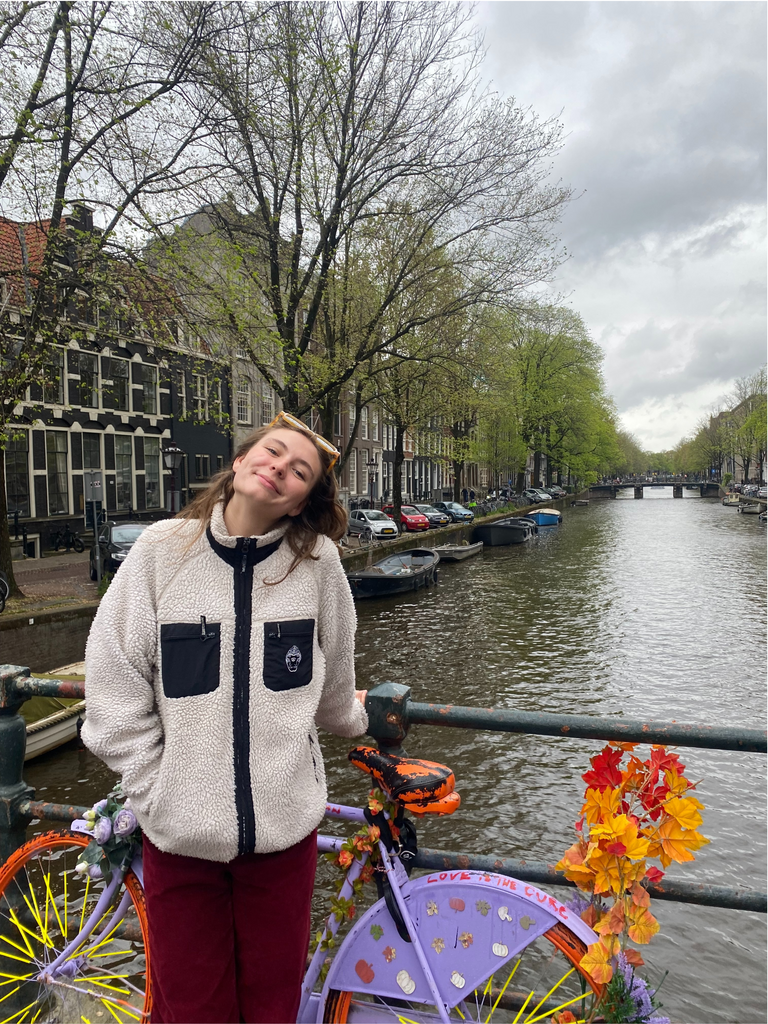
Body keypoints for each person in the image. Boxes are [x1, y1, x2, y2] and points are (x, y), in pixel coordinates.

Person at [82, 412, 369, 1024]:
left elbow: (335, 675)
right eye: (272, 452)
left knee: (273, 1006)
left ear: (299, 503)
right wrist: (155, 790)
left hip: (283, 839)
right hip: (179, 838)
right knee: (191, 1008)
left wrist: (354, 718)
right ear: (239, 463)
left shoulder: (317, 564)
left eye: (300, 471)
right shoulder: (161, 553)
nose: (280, 469)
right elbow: (112, 683)